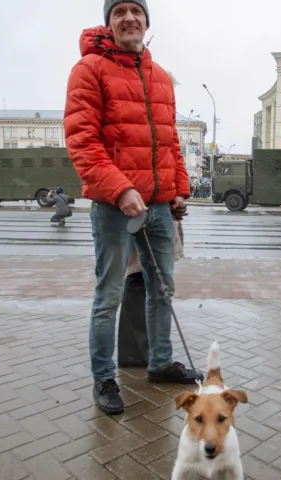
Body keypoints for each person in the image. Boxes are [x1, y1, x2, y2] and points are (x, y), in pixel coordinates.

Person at [65, 0, 201, 415]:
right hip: (112, 206)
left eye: (135, 11)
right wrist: (121, 189)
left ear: (146, 20)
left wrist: (179, 188)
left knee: (162, 290)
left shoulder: (159, 77)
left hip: (159, 207)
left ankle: (159, 363)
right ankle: (104, 378)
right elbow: (82, 141)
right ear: (108, 22)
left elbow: (169, 142)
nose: (129, 18)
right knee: (109, 295)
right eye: (119, 10)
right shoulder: (88, 69)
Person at [118, 203, 186, 367]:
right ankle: (139, 353)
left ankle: (142, 353)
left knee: (143, 280)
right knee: (140, 278)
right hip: (142, 214)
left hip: (153, 212)